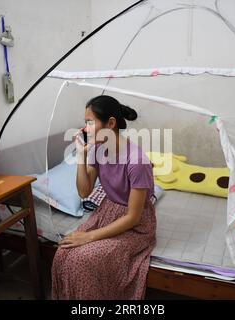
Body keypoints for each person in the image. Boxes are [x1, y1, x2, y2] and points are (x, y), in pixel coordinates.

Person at [51, 95, 157, 300]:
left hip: (134, 225)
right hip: (107, 212)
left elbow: (133, 217)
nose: (85, 128)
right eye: (85, 123)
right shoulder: (98, 149)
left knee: (82, 259)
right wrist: (81, 156)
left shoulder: (137, 161)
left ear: (110, 123)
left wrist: (88, 236)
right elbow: (84, 191)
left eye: (90, 122)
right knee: (63, 253)